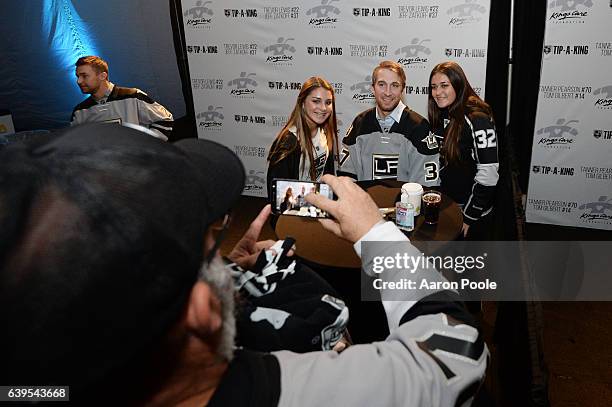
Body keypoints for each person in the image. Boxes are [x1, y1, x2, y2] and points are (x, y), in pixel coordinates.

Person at [0, 124, 488, 405]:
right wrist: (374, 235)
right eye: (204, 241)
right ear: (201, 310)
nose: (217, 243)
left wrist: (229, 272)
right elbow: (455, 355)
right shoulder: (287, 394)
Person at [338, 60, 439, 186]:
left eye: (395, 85)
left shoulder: (419, 127)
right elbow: (346, 175)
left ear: (403, 89)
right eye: (381, 84)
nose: (387, 92)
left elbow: (426, 185)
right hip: (365, 204)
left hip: (405, 206)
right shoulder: (360, 123)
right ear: (372, 89)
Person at [428, 61, 499, 239]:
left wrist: (468, 216)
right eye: (434, 87)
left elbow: (489, 175)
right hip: (448, 208)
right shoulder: (443, 112)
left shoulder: (478, 119)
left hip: (471, 217)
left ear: (458, 85)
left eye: (444, 85)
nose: (438, 92)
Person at [266, 76, 338, 199]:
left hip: (317, 209)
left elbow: (327, 178)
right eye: (316, 101)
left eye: (328, 102)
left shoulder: (325, 134)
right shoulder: (288, 142)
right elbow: (278, 194)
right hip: (294, 213)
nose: (323, 108)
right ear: (303, 103)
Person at [71, 55, 174, 141]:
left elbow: (165, 120)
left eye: (84, 76)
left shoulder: (133, 97)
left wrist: (145, 147)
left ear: (102, 76)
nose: (79, 81)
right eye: (77, 76)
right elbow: (75, 144)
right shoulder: (80, 112)